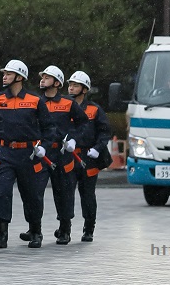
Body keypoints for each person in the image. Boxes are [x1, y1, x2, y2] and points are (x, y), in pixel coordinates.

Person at [0, 60, 56, 249]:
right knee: (1, 192)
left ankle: (35, 231)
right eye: (4, 73)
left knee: (32, 195)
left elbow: (49, 127)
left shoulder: (36, 101)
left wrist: (44, 146)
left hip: (29, 154)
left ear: (20, 77)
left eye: (9, 74)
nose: (4, 77)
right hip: (4, 153)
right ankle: (1, 234)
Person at [37, 64, 88, 245]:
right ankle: (34, 229)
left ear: (57, 83)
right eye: (42, 77)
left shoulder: (68, 103)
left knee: (63, 192)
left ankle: (65, 229)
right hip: (42, 152)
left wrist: (73, 139)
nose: (42, 80)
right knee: (35, 192)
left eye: (47, 77)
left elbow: (83, 123)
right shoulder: (36, 101)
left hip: (61, 153)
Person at [67, 71, 111, 243]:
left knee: (87, 194)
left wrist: (98, 149)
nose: (71, 88)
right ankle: (65, 227)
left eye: (75, 85)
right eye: (70, 84)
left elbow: (105, 131)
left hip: (88, 156)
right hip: (69, 156)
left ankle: (89, 227)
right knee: (66, 193)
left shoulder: (94, 109)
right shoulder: (64, 106)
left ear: (84, 89)